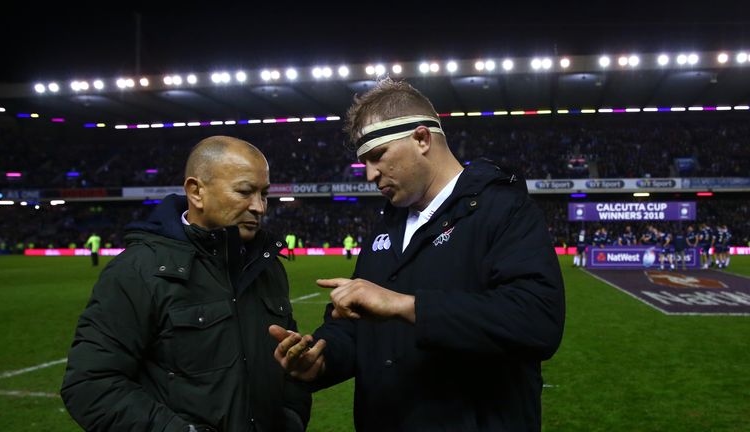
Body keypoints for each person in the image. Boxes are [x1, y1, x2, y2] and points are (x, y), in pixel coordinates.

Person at [269, 78, 565, 431]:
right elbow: (357, 328)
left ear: (422, 139)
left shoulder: (502, 208)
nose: (370, 175)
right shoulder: (386, 228)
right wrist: (322, 358)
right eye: (364, 162)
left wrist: (406, 306)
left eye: (377, 156)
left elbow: (537, 320)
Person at [61, 136, 311, 432]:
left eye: (264, 194)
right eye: (245, 192)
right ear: (196, 192)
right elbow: (90, 384)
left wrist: (291, 419)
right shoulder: (138, 270)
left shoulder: (267, 267)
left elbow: (287, 365)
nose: (259, 207)